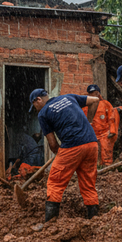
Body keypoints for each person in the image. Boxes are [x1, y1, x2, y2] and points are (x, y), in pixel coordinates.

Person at [29, 88, 100, 222]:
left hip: (72, 145)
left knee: (55, 182)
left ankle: (50, 222)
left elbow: (53, 143)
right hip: (91, 143)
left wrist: (59, 154)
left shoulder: (43, 113)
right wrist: (88, 121)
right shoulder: (69, 97)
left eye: (34, 106)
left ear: (38, 100)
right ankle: (94, 218)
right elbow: (95, 100)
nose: (36, 109)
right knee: (88, 182)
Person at [81, 85, 119, 166]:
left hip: (104, 133)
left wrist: (112, 130)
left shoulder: (106, 104)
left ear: (98, 93)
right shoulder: (85, 107)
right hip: (92, 135)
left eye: (94, 93)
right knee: (91, 155)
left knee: (106, 152)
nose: (93, 95)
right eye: (90, 94)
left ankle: (107, 169)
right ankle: (95, 169)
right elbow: (82, 121)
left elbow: (111, 118)